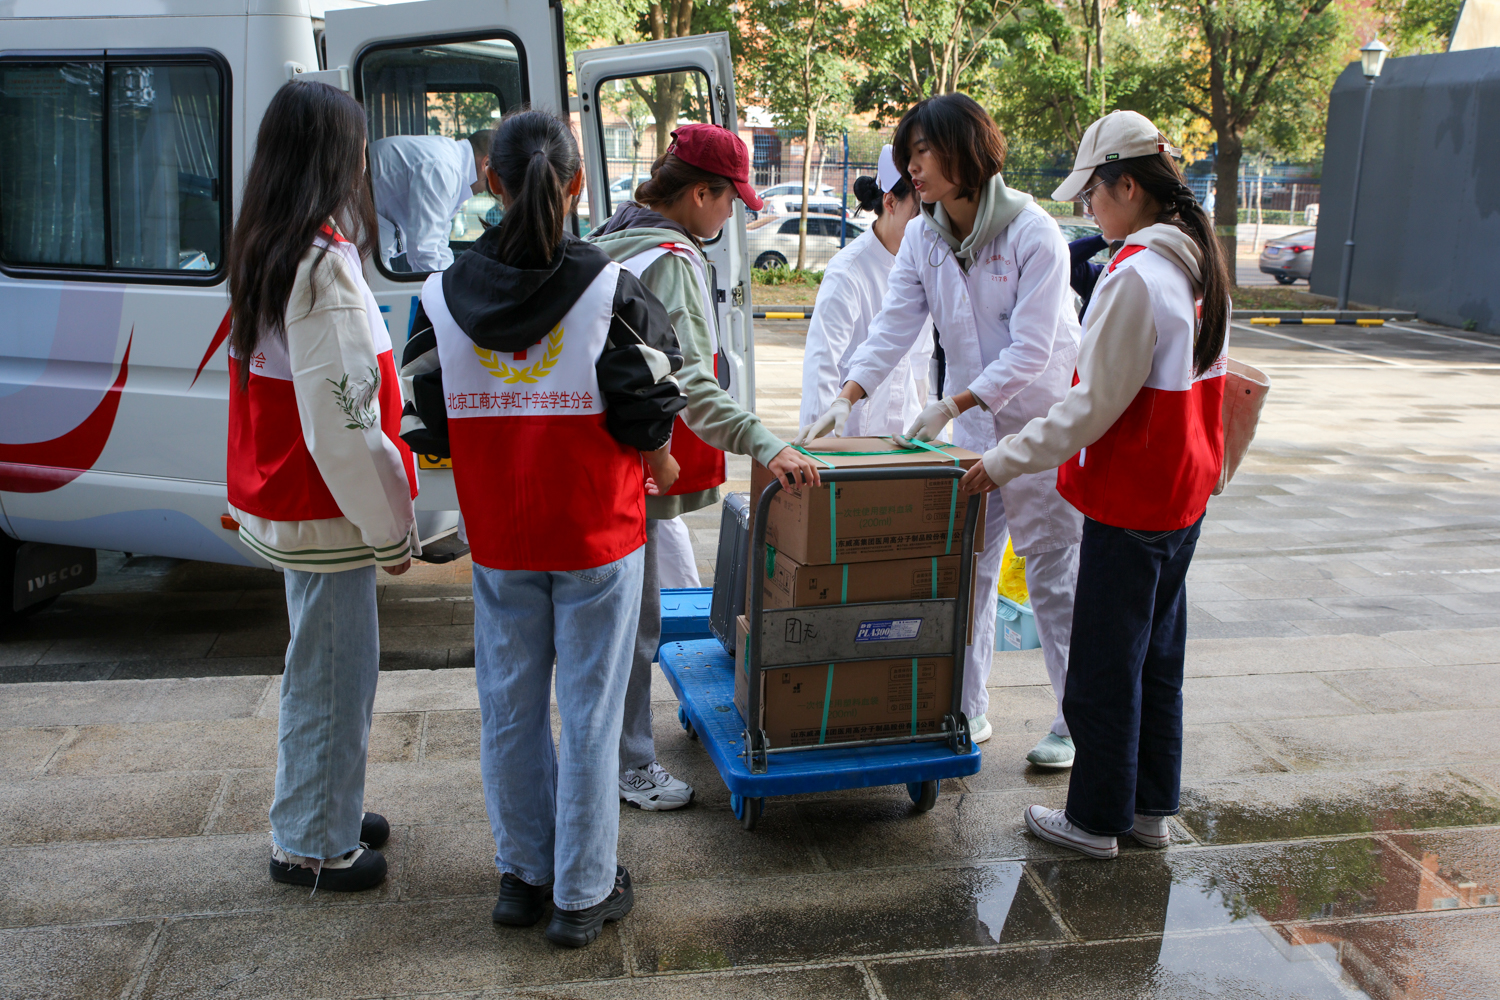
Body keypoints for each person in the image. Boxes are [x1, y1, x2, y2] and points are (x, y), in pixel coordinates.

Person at [412, 109, 686, 946]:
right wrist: (661, 462)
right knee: (593, 712)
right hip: (597, 536)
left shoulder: (437, 297)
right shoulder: (611, 289)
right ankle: (582, 891)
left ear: (490, 182)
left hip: (501, 536)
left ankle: (522, 877)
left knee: (510, 709)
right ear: (575, 184)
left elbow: (432, 424)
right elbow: (651, 404)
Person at [958, 110, 1231, 859]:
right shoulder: (1196, 260)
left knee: (1104, 666)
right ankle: (1148, 810)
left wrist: (1003, 459)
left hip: (1131, 497)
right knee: (1157, 659)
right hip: (1182, 494)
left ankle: (1093, 820)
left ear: (1130, 186)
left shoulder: (1136, 275)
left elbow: (1088, 408)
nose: (1089, 209)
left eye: (1095, 193)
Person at [798, 94, 1083, 767]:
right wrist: (848, 395)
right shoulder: (926, 234)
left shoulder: (1032, 234)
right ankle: (964, 707)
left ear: (966, 152)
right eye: (909, 155)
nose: (912, 169)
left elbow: (1035, 349)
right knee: (965, 571)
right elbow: (895, 323)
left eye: (922, 152)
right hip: (970, 430)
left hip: (1038, 430)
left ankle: (1077, 721)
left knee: (1052, 576)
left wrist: (954, 402)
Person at [590, 123, 824, 810]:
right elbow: (689, 382)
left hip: (596, 463)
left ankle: (608, 752)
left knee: (606, 624)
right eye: (730, 201)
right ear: (699, 193)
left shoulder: (607, 239)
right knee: (637, 625)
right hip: (637, 467)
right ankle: (631, 766)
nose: (733, 215)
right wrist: (764, 442)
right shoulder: (672, 258)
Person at [225, 80, 419, 892]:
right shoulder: (322, 266)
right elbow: (345, 423)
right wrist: (391, 527)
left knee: (322, 662)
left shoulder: (269, 246)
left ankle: (325, 804)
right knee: (336, 670)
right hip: (332, 509)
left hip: (294, 501)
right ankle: (310, 841)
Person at [796, 145, 934, 437]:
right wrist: (820, 448)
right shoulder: (848, 272)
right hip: (854, 436)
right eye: (919, 211)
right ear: (891, 202)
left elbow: (920, 358)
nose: (927, 224)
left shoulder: (923, 264)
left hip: (905, 436)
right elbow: (822, 365)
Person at [369, 130, 490, 272]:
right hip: (354, 223)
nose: (490, 190)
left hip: (367, 231)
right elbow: (423, 252)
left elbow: (439, 244)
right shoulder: (444, 168)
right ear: (486, 164)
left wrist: (448, 280)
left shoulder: (451, 163)